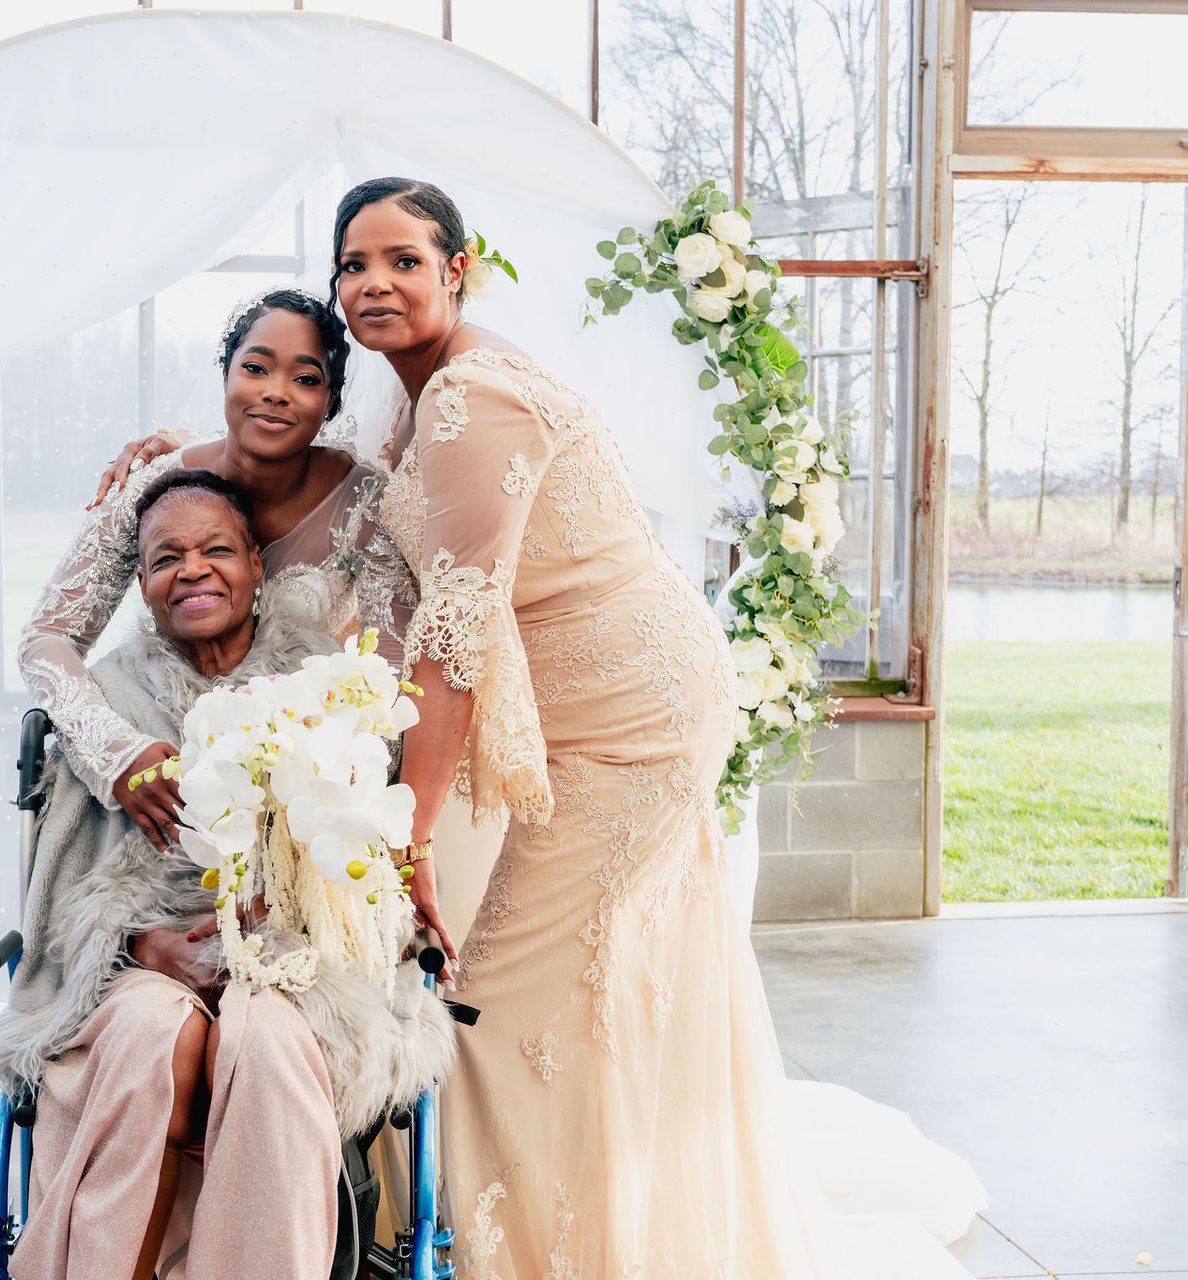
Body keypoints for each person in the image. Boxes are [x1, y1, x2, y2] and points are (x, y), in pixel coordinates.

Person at [322, 175, 975, 1278]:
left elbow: (460, 623)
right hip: (605, 703)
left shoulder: (470, 394)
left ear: (458, 269)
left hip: (636, 717)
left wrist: (411, 836)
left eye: (402, 259)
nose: (373, 282)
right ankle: (617, 1227)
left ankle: (531, 1252)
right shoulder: (415, 395)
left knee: (494, 1001)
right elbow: (376, 536)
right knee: (590, 991)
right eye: (352, 264)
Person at [0, 469, 453, 1280]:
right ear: (140, 583)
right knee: (148, 1033)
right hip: (148, 958)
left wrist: (297, 903)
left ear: (256, 567)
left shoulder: (326, 683)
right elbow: (70, 877)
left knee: (265, 1038)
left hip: (300, 963)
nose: (193, 569)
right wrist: (136, 945)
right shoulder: (108, 700)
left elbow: (366, 857)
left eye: (216, 550)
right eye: (168, 557)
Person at [19, 288, 412, 857]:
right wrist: (116, 753)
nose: (276, 393)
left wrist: (309, 778)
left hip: (291, 778)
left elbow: (392, 674)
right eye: (255, 369)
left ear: (330, 403)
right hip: (160, 760)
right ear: (225, 376)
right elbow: (47, 636)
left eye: (305, 379)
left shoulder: (366, 505)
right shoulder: (148, 484)